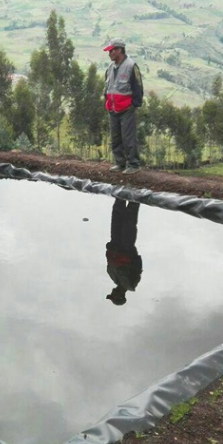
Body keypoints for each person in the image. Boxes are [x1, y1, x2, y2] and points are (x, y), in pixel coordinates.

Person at [103, 38, 144, 175]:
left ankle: (133, 164)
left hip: (126, 109)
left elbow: (137, 87)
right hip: (112, 109)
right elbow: (107, 87)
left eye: (111, 51)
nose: (109, 54)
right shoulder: (110, 68)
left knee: (128, 138)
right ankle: (120, 163)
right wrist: (107, 101)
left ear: (119, 50)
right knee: (115, 138)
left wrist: (134, 105)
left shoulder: (131, 66)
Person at [105, 198, 142, 306]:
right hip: (127, 247)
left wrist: (109, 249)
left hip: (114, 243)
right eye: (113, 296)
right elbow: (137, 264)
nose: (112, 293)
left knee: (116, 216)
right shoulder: (131, 284)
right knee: (129, 219)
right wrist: (129, 253)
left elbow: (109, 261)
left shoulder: (112, 277)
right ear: (120, 296)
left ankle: (120, 194)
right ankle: (136, 193)